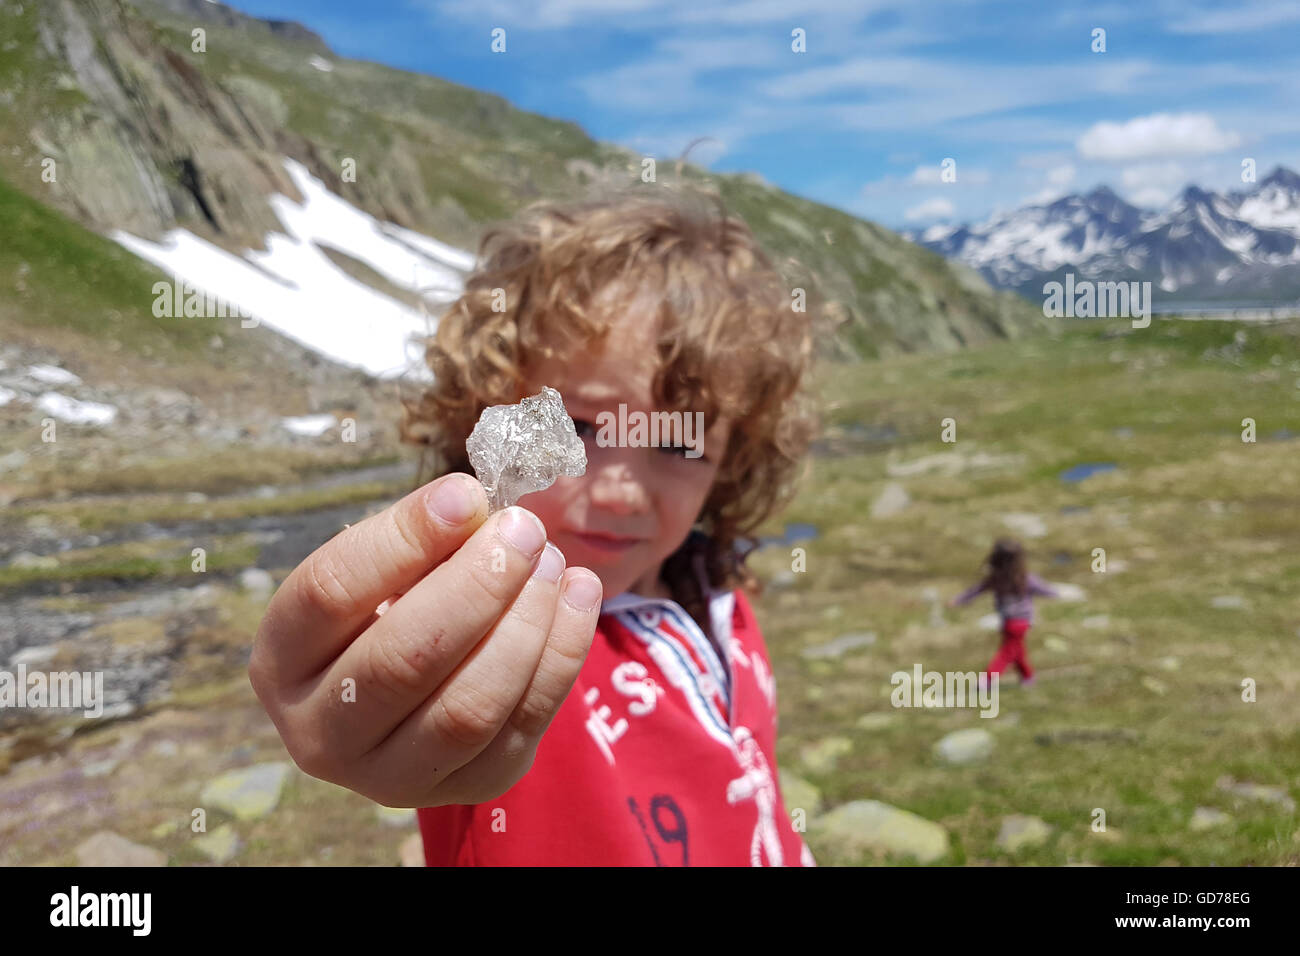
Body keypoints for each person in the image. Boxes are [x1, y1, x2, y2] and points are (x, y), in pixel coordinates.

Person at [249, 180, 826, 865]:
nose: (619, 492)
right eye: (578, 426)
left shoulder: (720, 590)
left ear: (734, 456)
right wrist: (357, 698)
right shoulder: (491, 620)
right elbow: (406, 666)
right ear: (487, 416)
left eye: (678, 442)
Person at [947, 538, 1059, 687]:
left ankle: (988, 679)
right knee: (1016, 649)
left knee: (1007, 652)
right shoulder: (1024, 578)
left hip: (1012, 621)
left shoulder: (998, 578)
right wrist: (1057, 593)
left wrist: (959, 600)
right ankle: (1028, 677)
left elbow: (975, 591)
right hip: (1021, 621)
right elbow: (1046, 590)